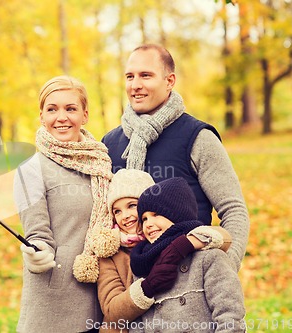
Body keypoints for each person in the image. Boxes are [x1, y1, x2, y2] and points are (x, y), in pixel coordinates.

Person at [102, 44, 249, 271]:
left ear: (169, 81)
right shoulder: (109, 144)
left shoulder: (198, 137)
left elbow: (234, 211)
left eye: (146, 76)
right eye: (130, 77)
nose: (135, 85)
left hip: (187, 279)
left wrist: (222, 273)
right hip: (128, 285)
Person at [13, 75, 119, 333]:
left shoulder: (102, 163)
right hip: (56, 306)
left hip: (105, 297)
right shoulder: (31, 169)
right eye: (52, 109)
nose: (61, 117)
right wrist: (36, 253)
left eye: (70, 108)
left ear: (84, 115)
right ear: (41, 116)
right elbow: (37, 232)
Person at [96, 169, 229, 333]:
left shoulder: (169, 236)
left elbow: (220, 237)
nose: (124, 216)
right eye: (117, 211)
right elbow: (112, 313)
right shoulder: (111, 253)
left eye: (132, 206)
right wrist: (148, 286)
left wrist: (182, 245)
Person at [129, 177, 246, 332]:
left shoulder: (209, 259)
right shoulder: (143, 267)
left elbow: (230, 316)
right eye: (144, 219)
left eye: (156, 214)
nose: (148, 224)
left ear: (177, 213)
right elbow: (138, 325)